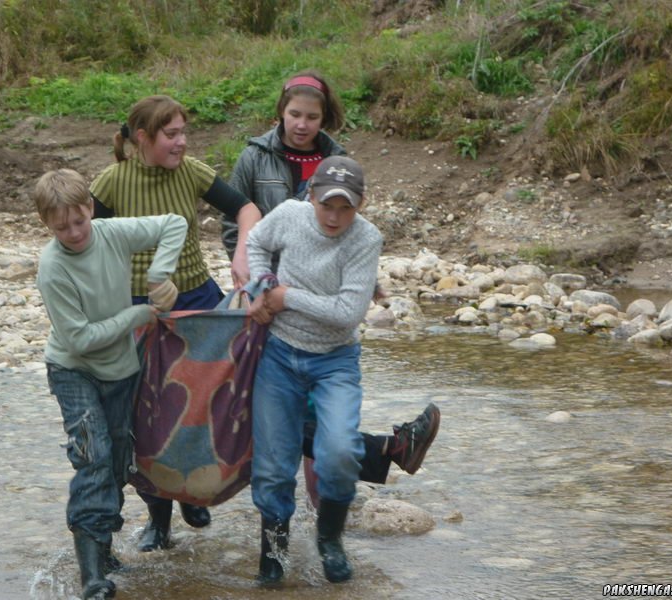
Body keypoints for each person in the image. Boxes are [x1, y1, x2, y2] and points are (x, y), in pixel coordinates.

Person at [223, 70, 440, 500]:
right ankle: (386, 451)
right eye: (294, 114)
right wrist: (253, 278)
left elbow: (348, 233)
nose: (302, 124)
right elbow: (236, 222)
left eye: (312, 117)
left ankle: (326, 507)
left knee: (288, 408)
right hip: (265, 291)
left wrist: (363, 278)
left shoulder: (336, 159)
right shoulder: (253, 157)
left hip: (311, 298)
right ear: (280, 113)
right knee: (259, 404)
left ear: (325, 119)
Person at [88, 94, 262, 553]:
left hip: (198, 301)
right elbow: (84, 243)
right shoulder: (112, 181)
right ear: (143, 138)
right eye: (172, 134)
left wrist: (242, 252)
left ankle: (194, 491)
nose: (182, 142)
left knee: (205, 404)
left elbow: (246, 209)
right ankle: (159, 521)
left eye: (185, 132)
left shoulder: (192, 171)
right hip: (138, 310)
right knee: (149, 416)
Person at [34, 168, 188, 600]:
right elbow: (80, 339)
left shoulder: (112, 232)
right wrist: (140, 314)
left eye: (79, 220)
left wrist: (159, 275)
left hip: (121, 368)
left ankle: (103, 549)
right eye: (61, 227)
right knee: (93, 454)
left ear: (89, 208)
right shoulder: (52, 267)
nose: (74, 232)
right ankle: (92, 578)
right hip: (73, 369)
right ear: (47, 224)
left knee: (120, 458)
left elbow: (174, 222)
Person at [246, 156, 388, 585]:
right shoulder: (289, 216)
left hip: (335, 361)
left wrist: (286, 295)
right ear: (310, 197)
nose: (334, 216)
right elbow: (254, 241)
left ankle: (330, 538)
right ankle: (274, 552)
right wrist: (264, 282)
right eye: (327, 204)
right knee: (272, 466)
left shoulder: (366, 239)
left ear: (361, 205)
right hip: (279, 356)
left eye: (345, 207)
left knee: (341, 452)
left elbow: (348, 313)